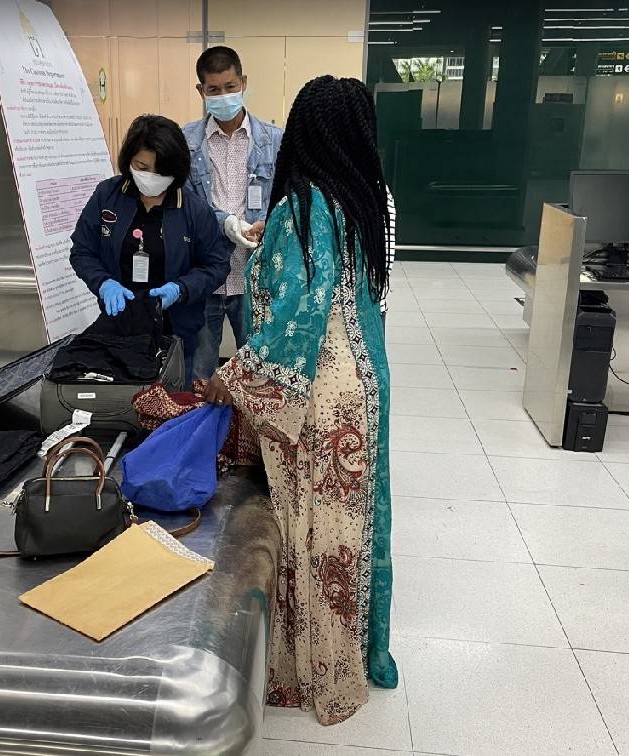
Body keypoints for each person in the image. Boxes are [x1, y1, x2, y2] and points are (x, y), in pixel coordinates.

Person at [205, 76, 398, 725]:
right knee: (347, 534)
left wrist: (233, 377)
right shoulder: (361, 200)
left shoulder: (300, 207)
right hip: (363, 386)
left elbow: (295, 317)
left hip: (313, 394)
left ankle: (307, 674)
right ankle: (346, 667)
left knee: (308, 534)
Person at [70, 115, 230, 385]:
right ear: (129, 160)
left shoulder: (193, 210)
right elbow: (82, 251)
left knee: (174, 399)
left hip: (176, 333)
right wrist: (103, 283)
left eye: (160, 171)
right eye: (141, 167)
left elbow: (216, 265)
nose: (150, 178)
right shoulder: (107, 196)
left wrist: (181, 289)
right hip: (120, 329)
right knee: (125, 401)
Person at [183, 46, 283, 381]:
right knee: (199, 373)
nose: (223, 95)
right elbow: (185, 203)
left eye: (230, 86)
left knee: (256, 375)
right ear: (201, 91)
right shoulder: (186, 142)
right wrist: (224, 223)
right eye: (214, 89)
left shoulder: (274, 141)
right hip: (204, 275)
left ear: (243, 83)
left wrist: (268, 224)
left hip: (254, 276)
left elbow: (286, 202)